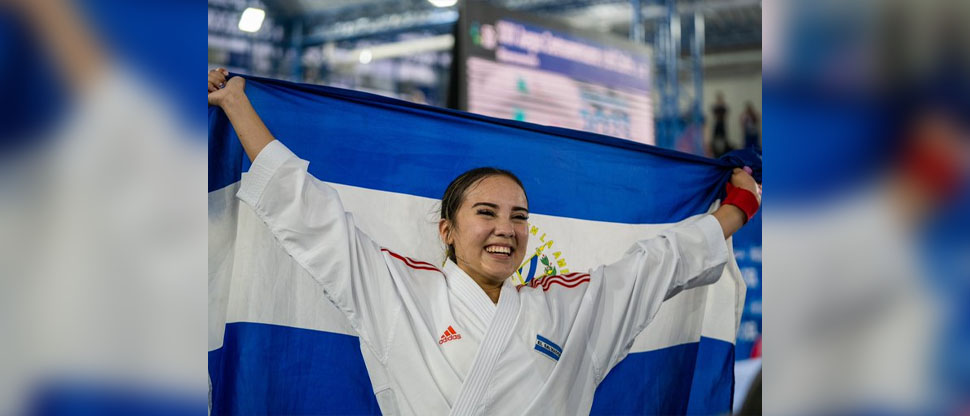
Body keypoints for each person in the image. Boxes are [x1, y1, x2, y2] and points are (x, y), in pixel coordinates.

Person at [208, 68, 761, 415]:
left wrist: (737, 208)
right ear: (447, 231)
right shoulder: (398, 290)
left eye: (518, 216)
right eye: (487, 213)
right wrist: (237, 105)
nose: (506, 228)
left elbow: (661, 263)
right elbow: (313, 214)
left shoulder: (569, 306)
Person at [710, 91, 730, 157]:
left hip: (722, 123)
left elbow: (725, 114)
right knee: (715, 138)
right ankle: (715, 152)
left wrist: (721, 104)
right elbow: (714, 113)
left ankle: (724, 153)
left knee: (724, 138)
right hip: (717, 123)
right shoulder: (715, 106)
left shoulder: (723, 106)